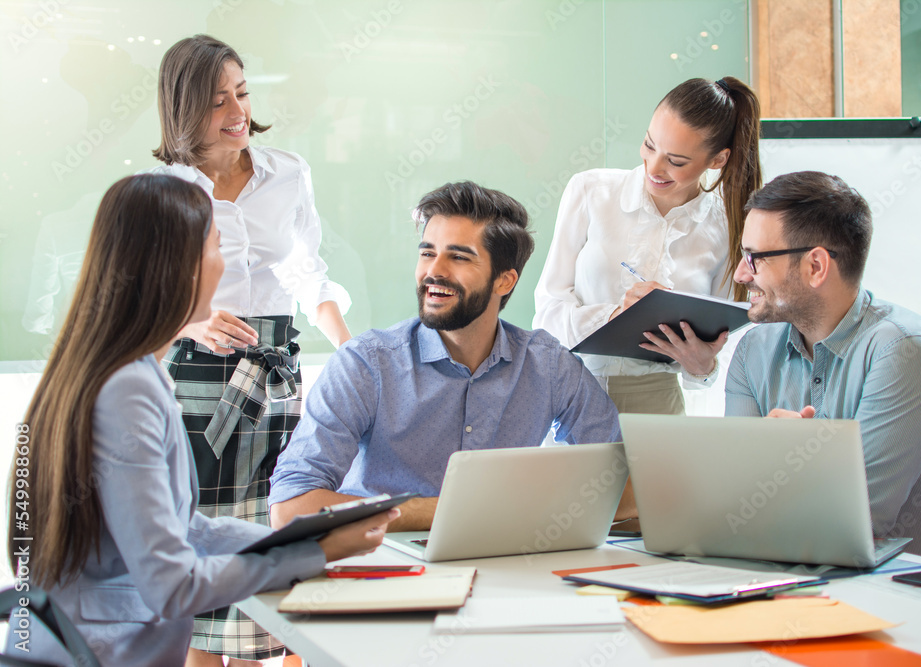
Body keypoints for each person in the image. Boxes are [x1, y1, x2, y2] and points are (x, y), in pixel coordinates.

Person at [5, 174, 398, 667]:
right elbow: (172, 585)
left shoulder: (127, 369)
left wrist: (309, 538)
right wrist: (311, 556)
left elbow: (186, 529)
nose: (227, 263)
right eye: (217, 246)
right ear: (181, 268)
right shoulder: (126, 391)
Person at [149, 35, 353, 665]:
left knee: (280, 540)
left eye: (242, 92)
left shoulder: (287, 171)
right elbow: (139, 296)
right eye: (218, 100)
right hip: (199, 383)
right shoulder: (162, 188)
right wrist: (194, 322)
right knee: (209, 557)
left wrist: (348, 352)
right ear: (184, 108)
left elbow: (307, 273)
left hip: (278, 377)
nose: (238, 111)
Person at [269, 181, 627, 531]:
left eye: (458, 257)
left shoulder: (548, 366)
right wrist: (452, 511)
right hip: (381, 567)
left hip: (502, 569)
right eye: (427, 253)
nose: (433, 271)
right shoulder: (365, 363)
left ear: (504, 281)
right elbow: (291, 507)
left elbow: (621, 486)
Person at [724, 170, 921, 570]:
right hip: (808, 581)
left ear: (816, 266)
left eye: (754, 258)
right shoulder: (752, 351)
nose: (741, 274)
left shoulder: (906, 353)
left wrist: (789, 463)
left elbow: (857, 523)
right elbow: (736, 505)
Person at [533, 76, 762, 415]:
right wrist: (615, 316)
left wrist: (702, 365)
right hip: (572, 396)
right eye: (649, 145)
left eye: (676, 161)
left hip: (661, 408)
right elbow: (547, 315)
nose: (654, 167)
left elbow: (724, 360)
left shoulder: (728, 226)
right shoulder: (590, 191)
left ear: (717, 160)